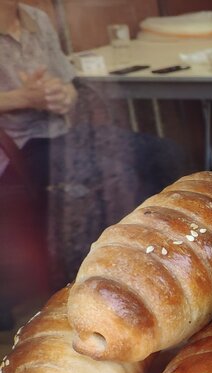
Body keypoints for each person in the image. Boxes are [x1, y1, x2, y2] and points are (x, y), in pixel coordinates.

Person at [0, 1, 185, 329]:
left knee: (164, 151)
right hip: (17, 150)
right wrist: (23, 98)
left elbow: (68, 82)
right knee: (120, 173)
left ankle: (172, 256)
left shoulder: (35, 19)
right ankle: (122, 276)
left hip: (62, 134)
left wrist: (63, 95)